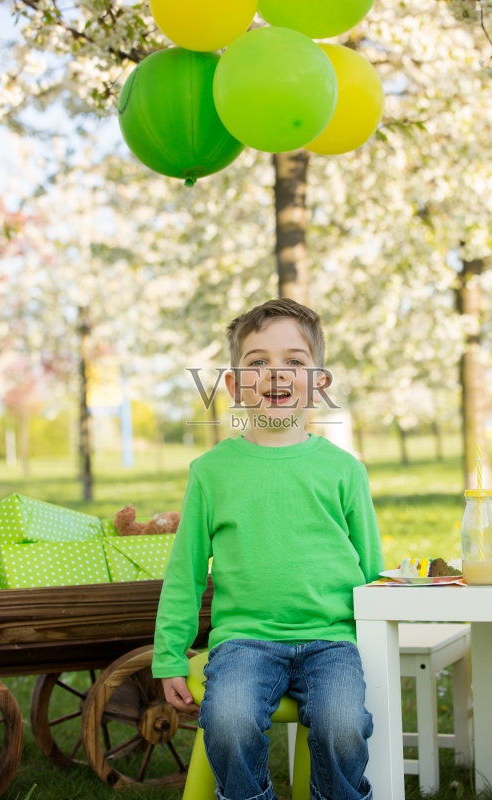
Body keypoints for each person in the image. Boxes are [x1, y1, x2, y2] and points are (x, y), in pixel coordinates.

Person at [152, 298, 384, 800]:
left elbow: (372, 568)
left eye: (295, 362)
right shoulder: (210, 472)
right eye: (257, 363)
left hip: (332, 641)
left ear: (318, 383)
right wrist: (169, 655)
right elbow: (185, 571)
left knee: (343, 726)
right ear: (234, 386)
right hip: (244, 641)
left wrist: (380, 638)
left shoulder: (344, 471)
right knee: (229, 722)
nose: (275, 376)